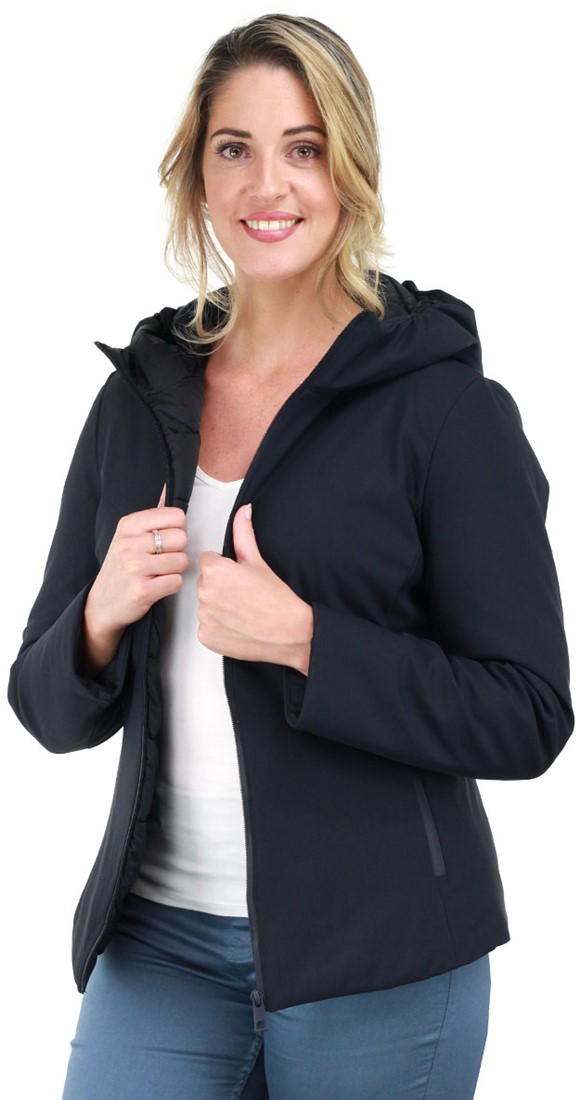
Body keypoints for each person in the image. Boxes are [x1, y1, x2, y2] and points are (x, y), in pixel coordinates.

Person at [8, 12, 574, 1100]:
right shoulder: (136, 403)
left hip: (381, 955)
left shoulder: (445, 411)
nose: (267, 184)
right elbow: (43, 706)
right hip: (160, 941)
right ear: (197, 176)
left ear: (349, 169)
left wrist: (310, 642)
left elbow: (527, 713)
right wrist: (99, 617)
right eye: (235, 148)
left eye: (303, 147)